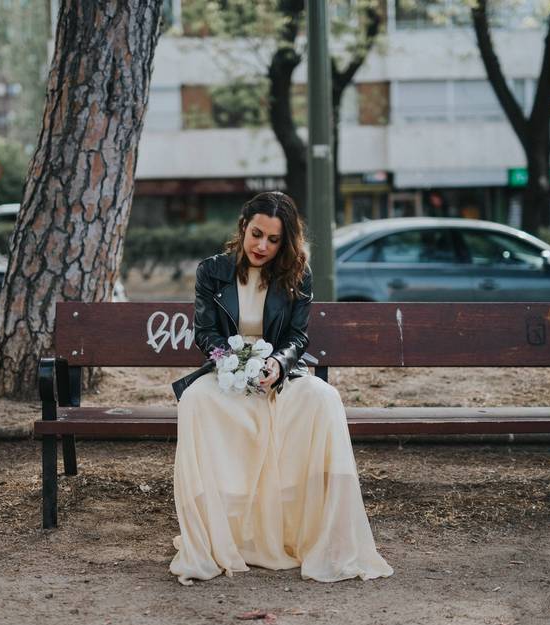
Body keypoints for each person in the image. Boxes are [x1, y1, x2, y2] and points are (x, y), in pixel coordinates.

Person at [169, 191, 394, 585]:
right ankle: (216, 535)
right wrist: (229, 361)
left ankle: (318, 532)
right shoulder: (212, 271)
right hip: (228, 373)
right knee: (195, 400)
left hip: (278, 376)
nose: (262, 246)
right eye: (257, 234)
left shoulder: (296, 273)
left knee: (325, 398)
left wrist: (277, 363)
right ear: (243, 227)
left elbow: (297, 337)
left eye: (273, 240)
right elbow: (204, 332)